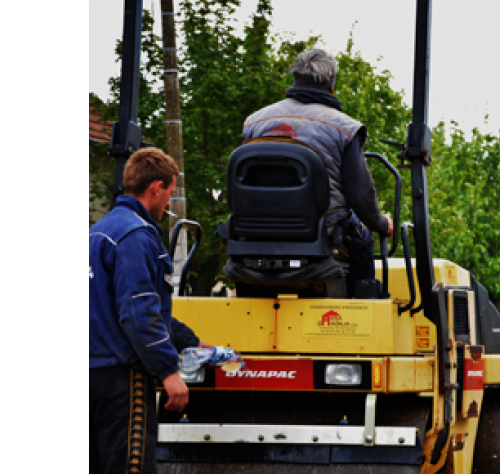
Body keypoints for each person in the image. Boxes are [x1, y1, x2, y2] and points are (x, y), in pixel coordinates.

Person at [90, 148, 213, 473]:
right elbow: (138, 314)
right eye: (170, 193)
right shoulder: (136, 237)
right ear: (155, 188)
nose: (170, 203)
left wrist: (189, 341)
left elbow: (129, 306)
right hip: (121, 381)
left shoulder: (97, 234)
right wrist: (168, 371)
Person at [241, 47, 393, 296]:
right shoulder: (344, 127)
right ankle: (358, 314)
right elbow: (360, 195)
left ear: (294, 79)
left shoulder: (254, 122)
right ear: (331, 85)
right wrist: (379, 223)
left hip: (255, 231)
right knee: (363, 240)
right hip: (322, 231)